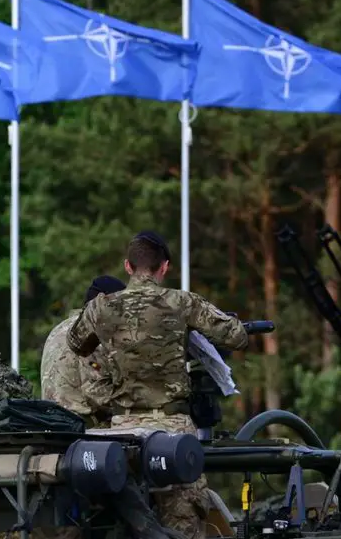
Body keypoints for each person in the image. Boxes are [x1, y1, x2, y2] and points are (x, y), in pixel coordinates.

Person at [67, 231, 249, 539]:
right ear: (164, 267)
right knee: (184, 521)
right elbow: (237, 336)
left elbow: (76, 343)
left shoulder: (101, 307)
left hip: (122, 433)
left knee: (126, 525)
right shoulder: (182, 302)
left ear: (128, 266)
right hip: (173, 430)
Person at [40, 275, 126, 428]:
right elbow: (96, 393)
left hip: (50, 423)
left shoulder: (59, 328)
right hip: (81, 427)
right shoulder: (91, 334)